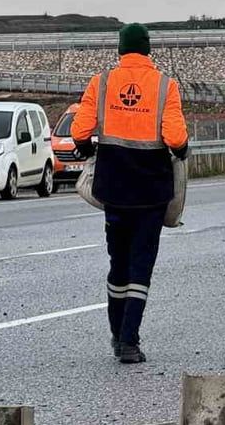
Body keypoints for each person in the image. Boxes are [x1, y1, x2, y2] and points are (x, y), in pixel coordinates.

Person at [72, 23, 189, 364]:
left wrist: (83, 146)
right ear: (148, 49)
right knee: (141, 267)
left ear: (121, 50)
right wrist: (181, 151)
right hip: (151, 192)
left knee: (117, 263)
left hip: (114, 189)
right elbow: (176, 138)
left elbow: (81, 129)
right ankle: (129, 342)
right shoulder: (166, 86)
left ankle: (116, 331)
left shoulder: (102, 82)